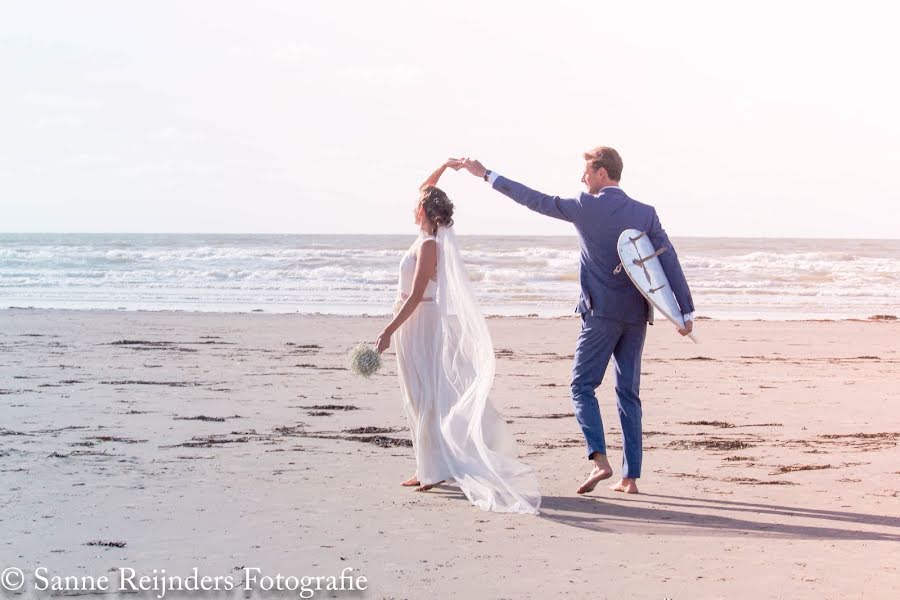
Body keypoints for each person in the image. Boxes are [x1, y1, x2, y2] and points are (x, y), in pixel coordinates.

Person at [459, 147, 695, 495]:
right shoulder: (644, 212)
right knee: (628, 393)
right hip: (636, 316)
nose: (582, 179)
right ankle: (630, 478)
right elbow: (667, 260)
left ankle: (600, 460)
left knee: (581, 386)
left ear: (602, 173)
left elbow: (533, 200)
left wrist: (486, 175)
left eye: (586, 172)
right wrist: (684, 311)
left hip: (600, 315)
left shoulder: (585, 207)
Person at [373, 159, 541, 514]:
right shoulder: (424, 237)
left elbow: (418, 293)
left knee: (429, 393)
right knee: (417, 394)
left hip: (421, 322)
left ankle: (432, 470)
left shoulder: (429, 246)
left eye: (416, 203)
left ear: (423, 210)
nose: (411, 205)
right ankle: (427, 466)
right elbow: (426, 185)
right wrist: (446, 166)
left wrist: (389, 330)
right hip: (413, 321)